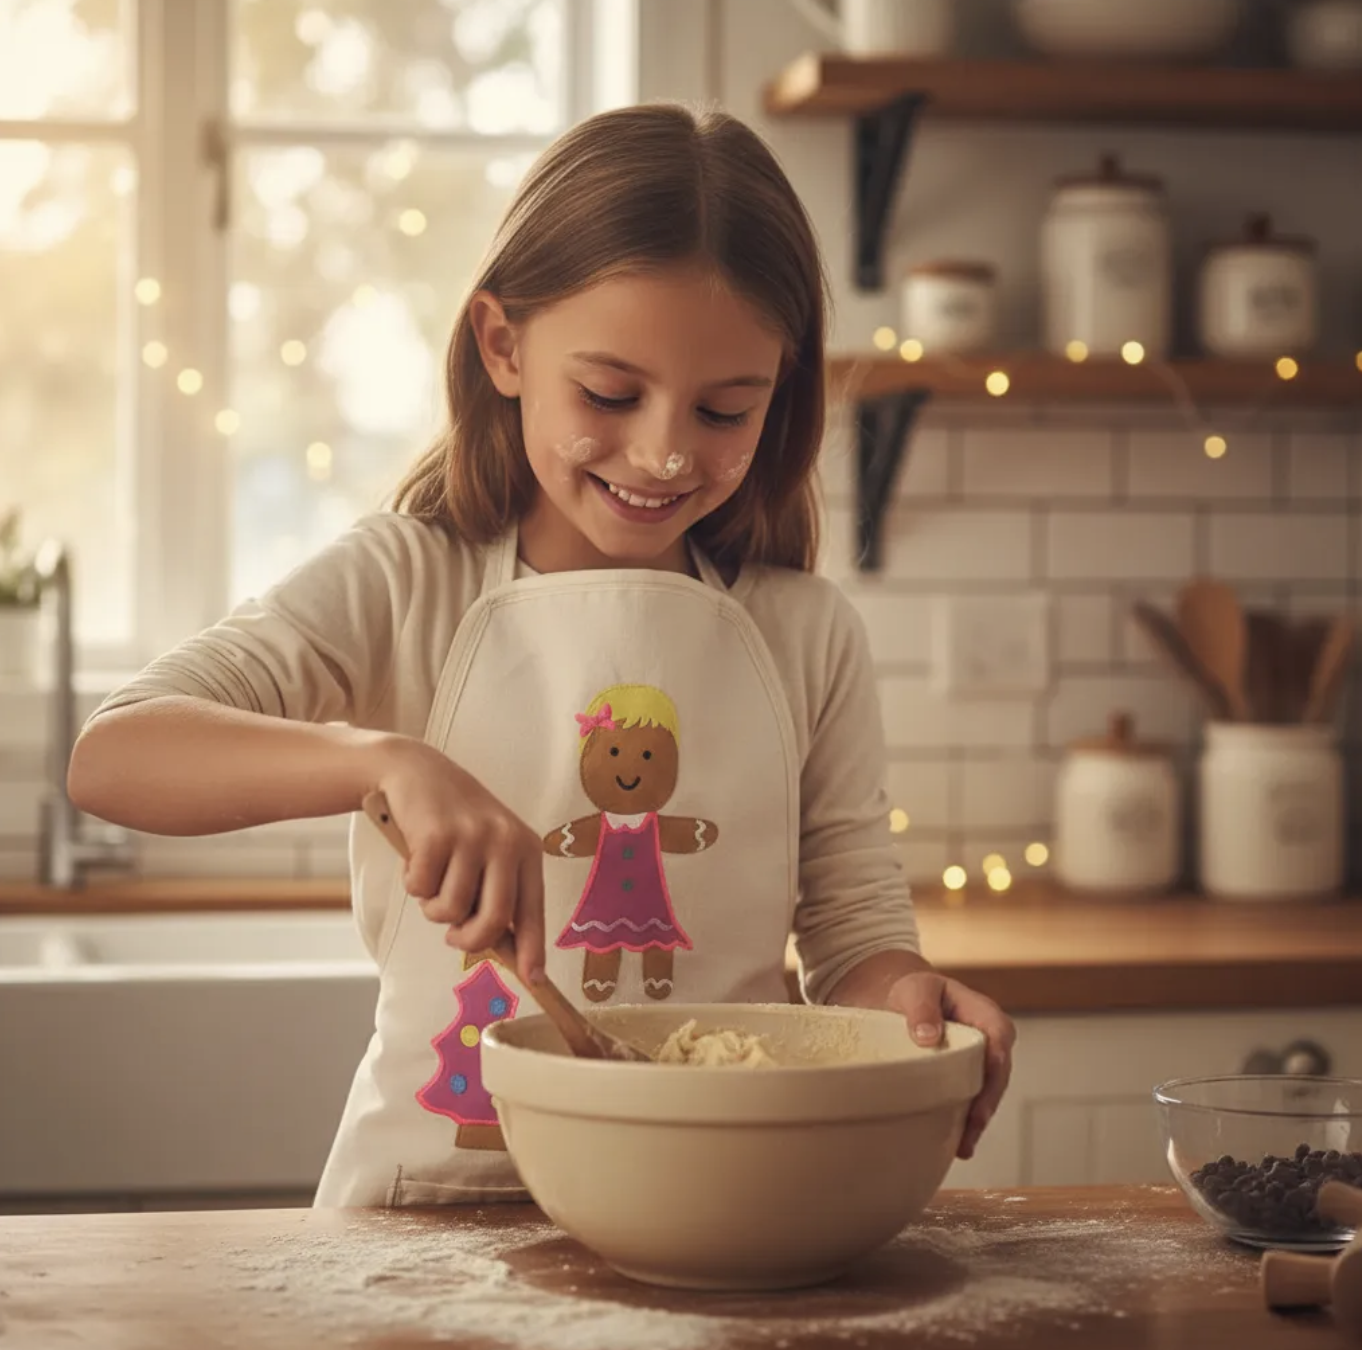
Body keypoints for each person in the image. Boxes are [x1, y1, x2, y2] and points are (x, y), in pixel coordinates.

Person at [69, 102, 1016, 1207]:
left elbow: (856, 946)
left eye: (725, 410)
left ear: (782, 388)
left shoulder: (806, 634)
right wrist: (383, 761)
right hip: (429, 1215)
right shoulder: (404, 583)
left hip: (718, 1205)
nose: (663, 451)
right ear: (503, 345)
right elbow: (115, 757)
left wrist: (916, 1002)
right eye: (609, 395)